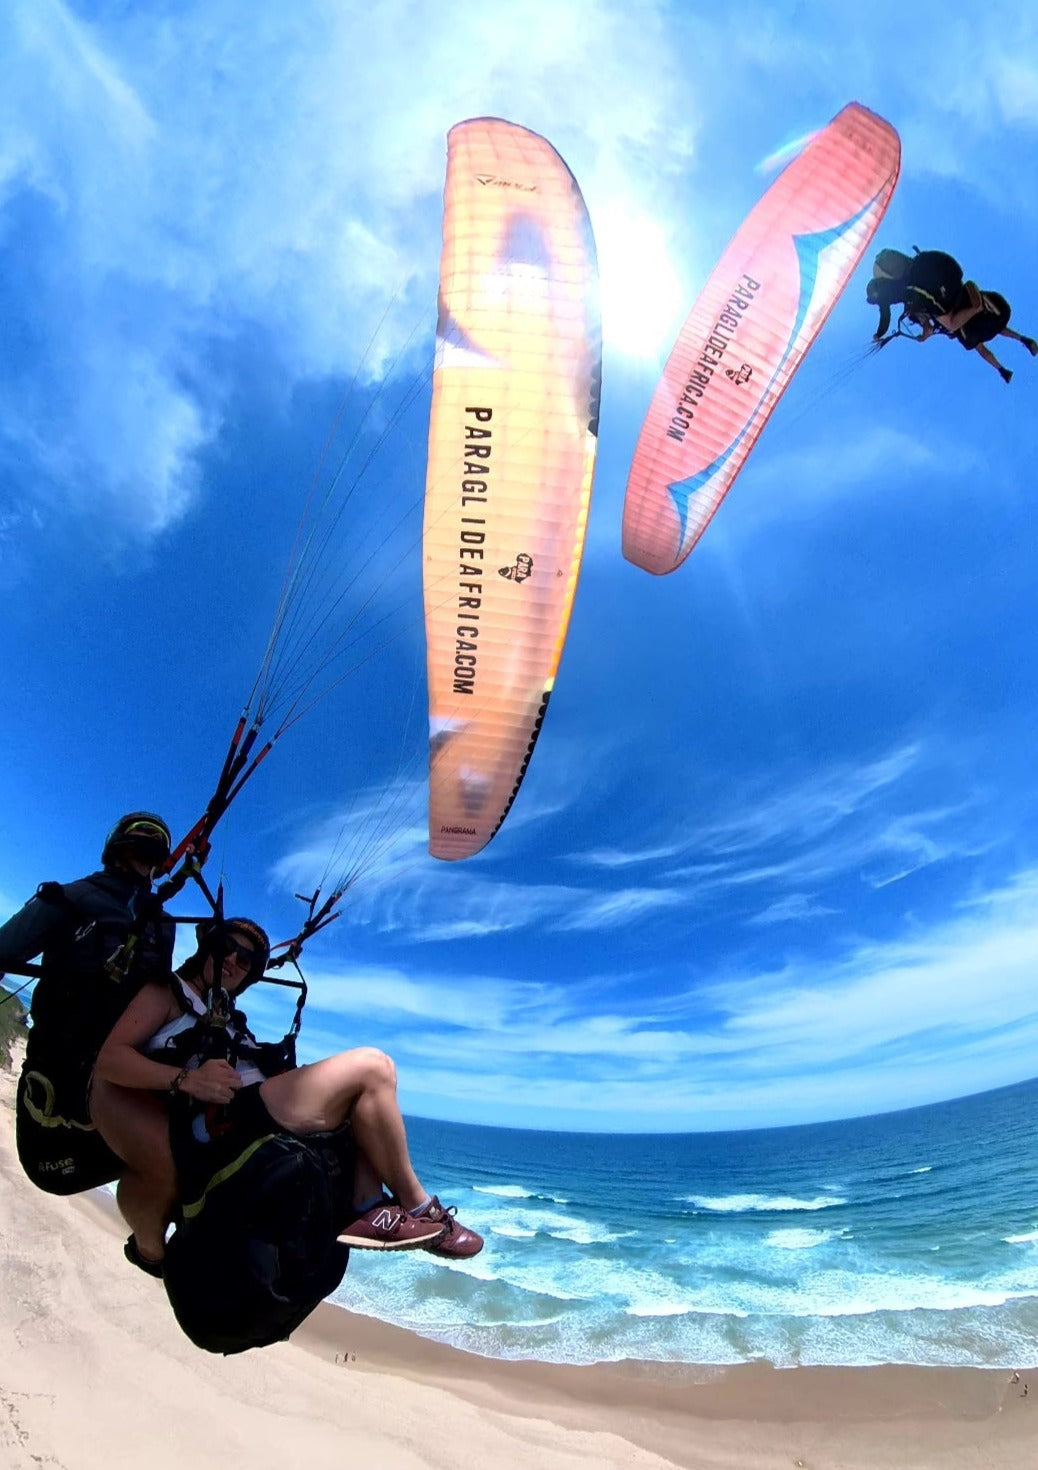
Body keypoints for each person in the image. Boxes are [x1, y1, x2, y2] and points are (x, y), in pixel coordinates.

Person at [91, 916, 483, 1274]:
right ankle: (420, 1208)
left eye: (245, 961)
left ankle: (368, 1205)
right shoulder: (168, 993)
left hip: (249, 1112)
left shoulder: (225, 1015)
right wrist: (186, 1079)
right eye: (227, 947)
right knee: (374, 1068)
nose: (232, 960)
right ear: (207, 945)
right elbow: (109, 1060)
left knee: (359, 1101)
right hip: (221, 1123)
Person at [0, 812, 176, 1195]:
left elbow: (159, 1004)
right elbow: (4, 952)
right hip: (54, 1106)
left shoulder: (161, 925)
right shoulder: (70, 898)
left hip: (116, 1090)